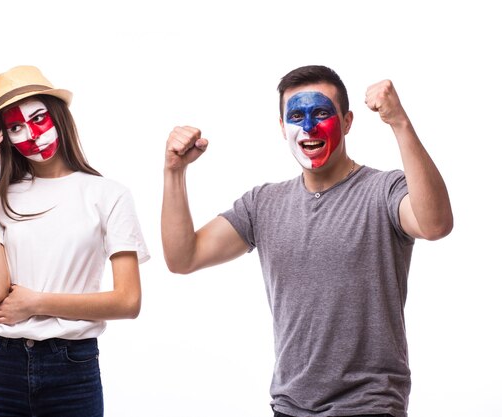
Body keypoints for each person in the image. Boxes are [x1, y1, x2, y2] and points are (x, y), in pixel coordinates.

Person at [161, 65, 453, 417]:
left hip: (369, 406)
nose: (309, 127)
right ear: (282, 127)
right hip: (289, 407)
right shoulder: (263, 204)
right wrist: (174, 172)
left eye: (322, 114)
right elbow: (183, 257)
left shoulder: (383, 191)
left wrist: (400, 123)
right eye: (297, 116)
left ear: (346, 122)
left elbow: (434, 224)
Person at [0, 65, 149, 417]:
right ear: (4, 140)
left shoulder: (107, 195)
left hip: (71, 366)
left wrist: (36, 303)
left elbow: (128, 301)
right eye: (15, 127)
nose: (31, 135)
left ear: (60, 116)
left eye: (38, 118)